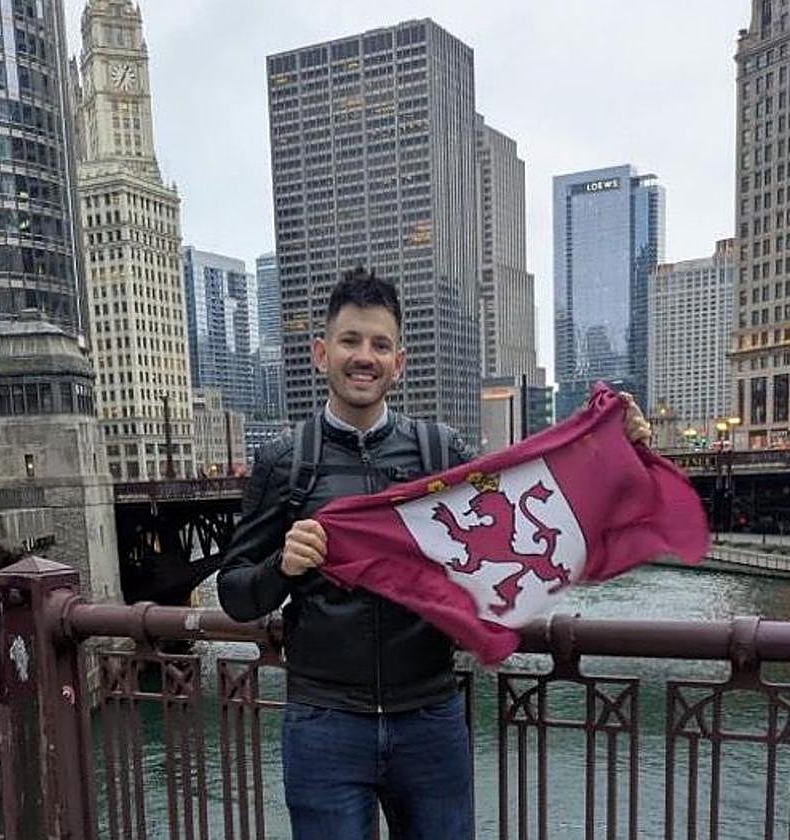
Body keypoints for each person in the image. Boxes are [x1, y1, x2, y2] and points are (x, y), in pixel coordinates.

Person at [217, 267, 651, 839]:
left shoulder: (437, 451)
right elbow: (234, 593)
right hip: (325, 723)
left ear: (400, 362)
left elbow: (527, 502)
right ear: (321, 354)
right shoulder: (285, 462)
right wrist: (283, 566)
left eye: (379, 344)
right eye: (350, 341)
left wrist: (616, 451)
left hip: (428, 718)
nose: (363, 356)